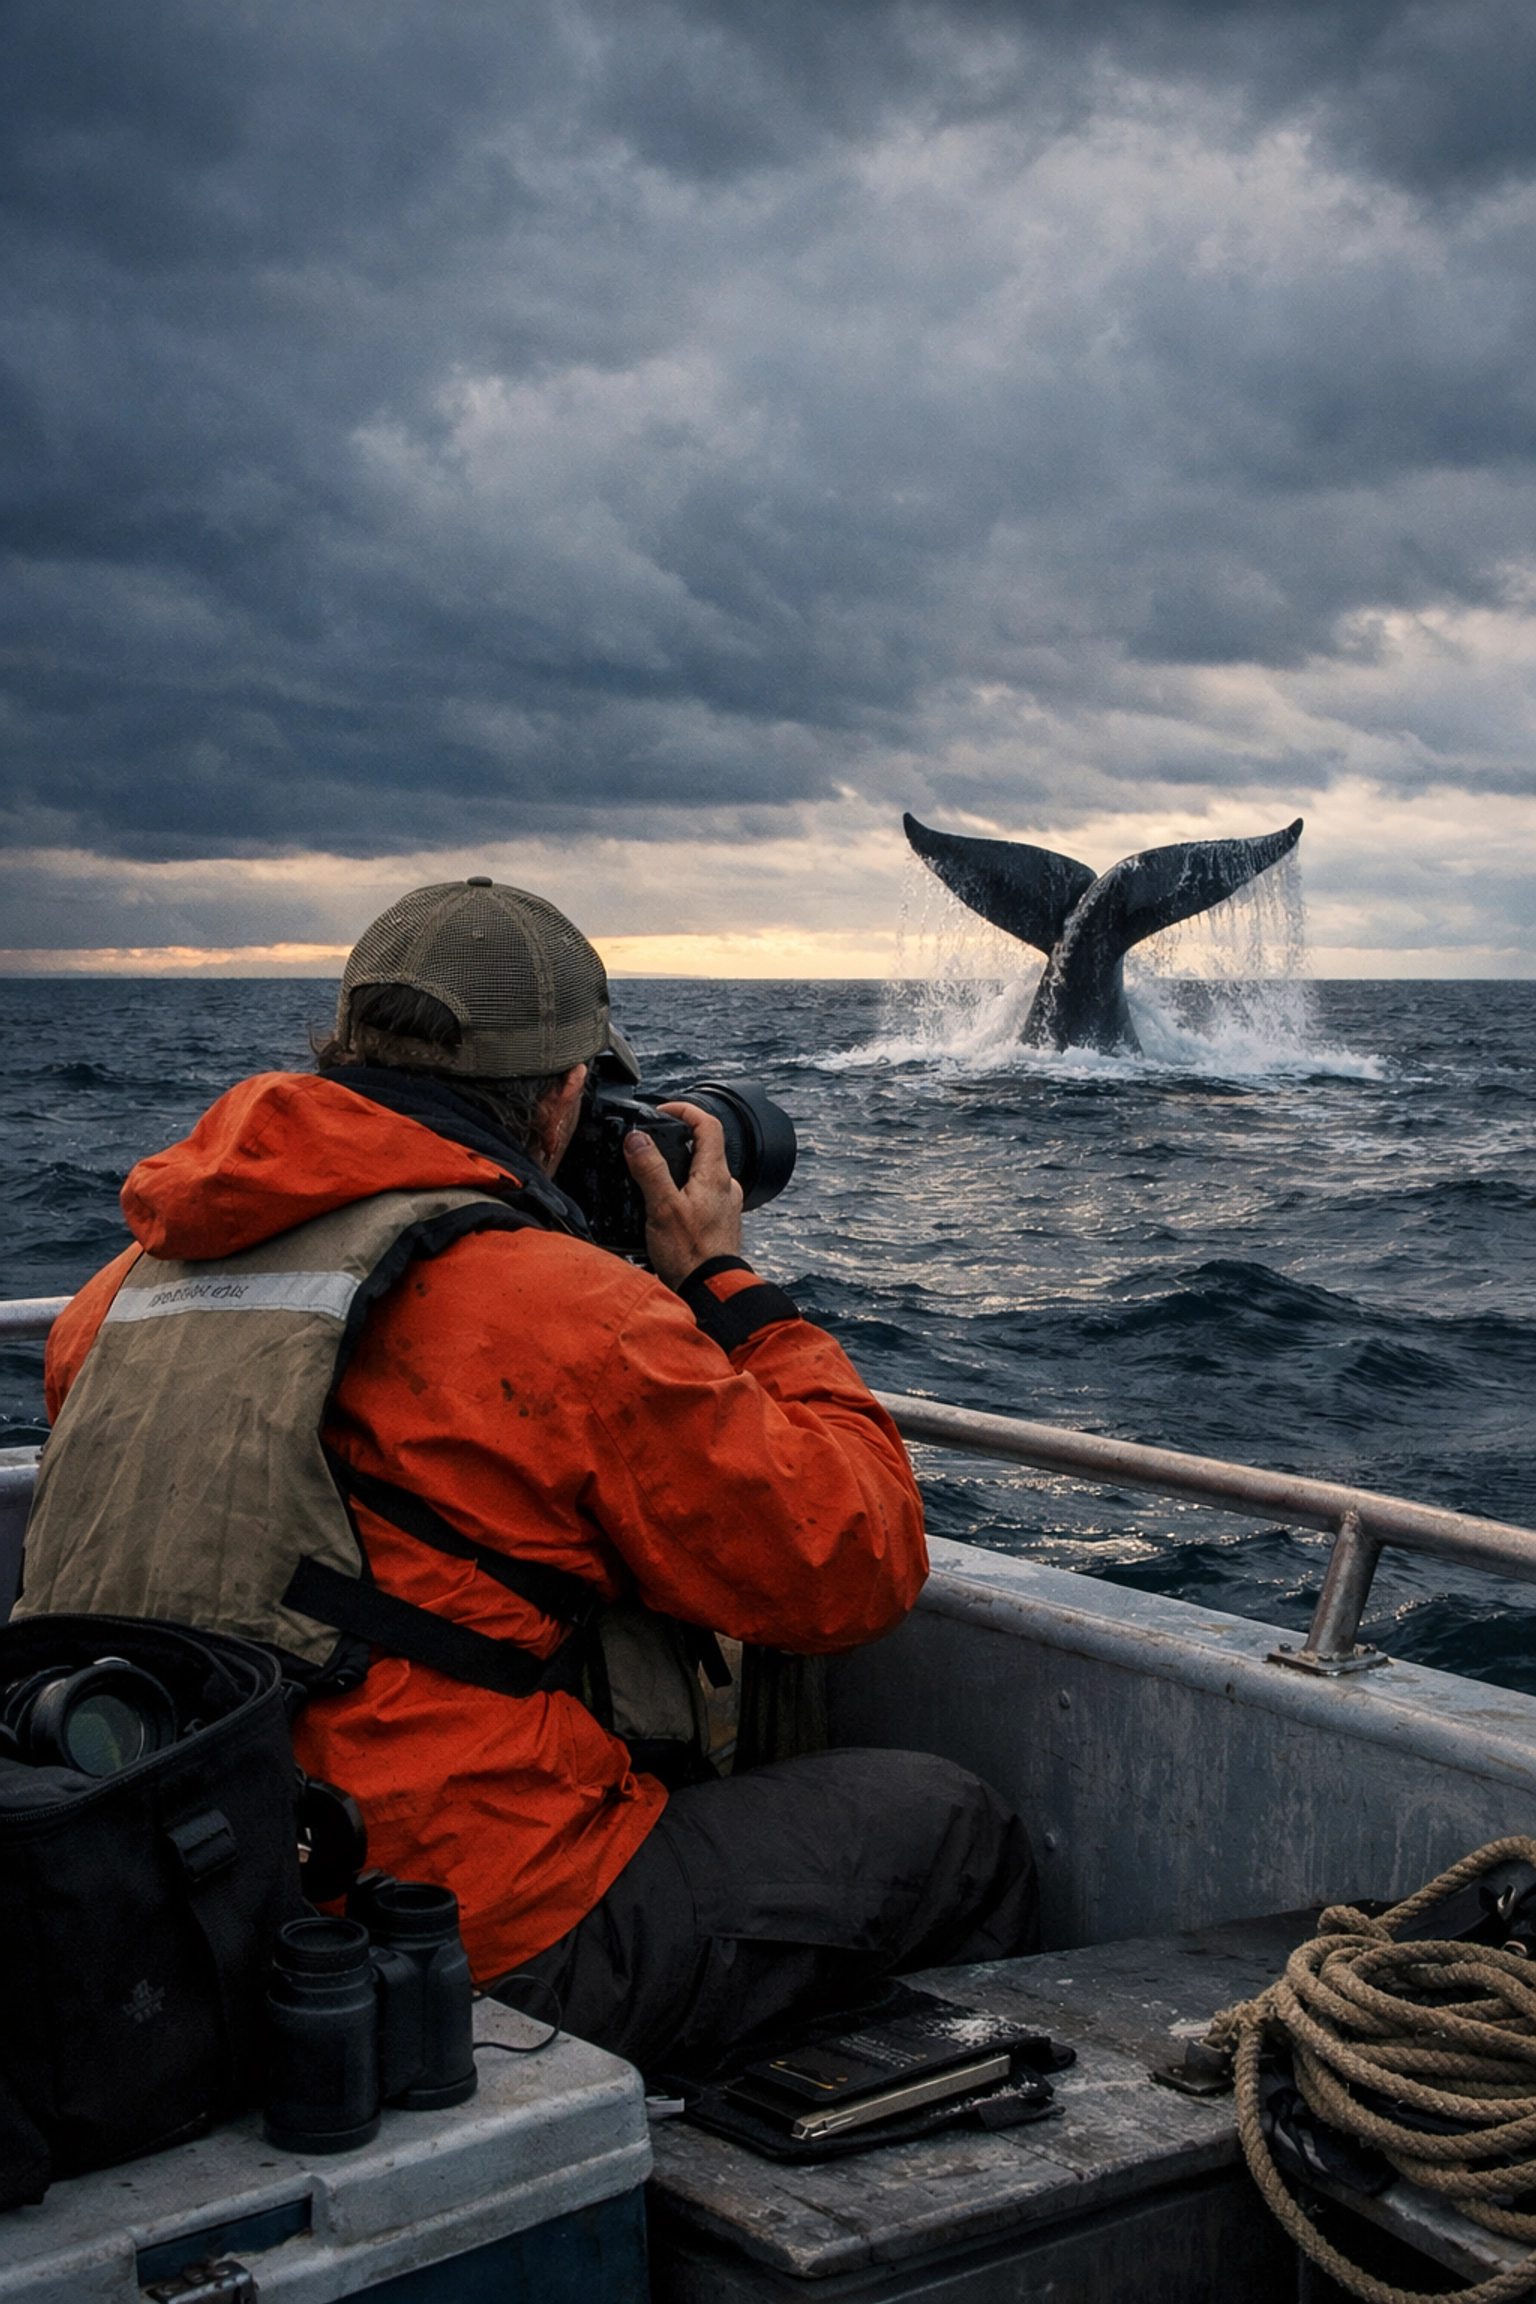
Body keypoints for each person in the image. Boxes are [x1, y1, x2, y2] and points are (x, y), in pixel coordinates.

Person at [21, 878, 1038, 2077]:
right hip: (445, 1937)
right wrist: (724, 1285)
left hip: (155, 1911)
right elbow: (854, 1564)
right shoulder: (563, 1310)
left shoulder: (121, 1291)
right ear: (564, 1100)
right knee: (948, 1826)